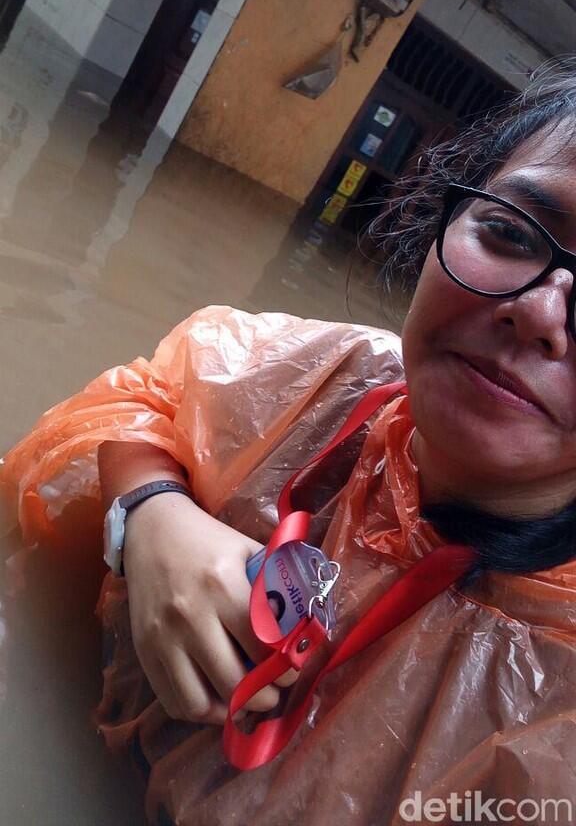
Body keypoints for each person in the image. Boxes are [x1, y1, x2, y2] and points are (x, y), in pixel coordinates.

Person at [3, 64, 576, 826]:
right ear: (441, 223)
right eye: (508, 232)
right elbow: (136, 401)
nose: (539, 312)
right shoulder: (325, 374)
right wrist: (148, 510)